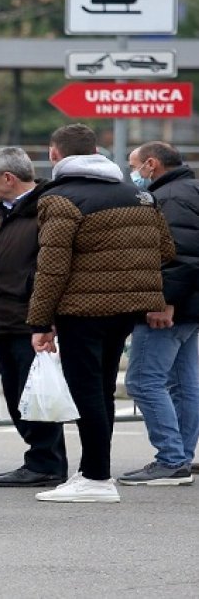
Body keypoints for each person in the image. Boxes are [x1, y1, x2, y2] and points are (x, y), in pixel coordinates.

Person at [28, 124, 175, 504]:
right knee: (102, 390)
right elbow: (165, 250)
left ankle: (95, 477)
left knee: (86, 391)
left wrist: (41, 322)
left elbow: (52, 267)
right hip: (127, 307)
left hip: (82, 309)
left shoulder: (59, 199)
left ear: (54, 154)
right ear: (96, 152)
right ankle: (94, 469)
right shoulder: (138, 195)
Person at [0, 147, 68, 487]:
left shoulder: (43, 212)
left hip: (30, 320)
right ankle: (42, 459)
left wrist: (45, 320)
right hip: (7, 318)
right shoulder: (8, 213)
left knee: (33, 396)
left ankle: (46, 463)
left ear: (8, 178)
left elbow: (52, 269)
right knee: (17, 395)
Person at [117, 141, 199, 486]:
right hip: (189, 305)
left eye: (134, 165)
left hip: (169, 306)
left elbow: (180, 255)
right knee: (183, 382)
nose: (132, 172)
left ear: (152, 164)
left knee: (144, 381)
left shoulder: (169, 198)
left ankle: (170, 458)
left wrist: (163, 301)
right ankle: (181, 455)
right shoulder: (189, 189)